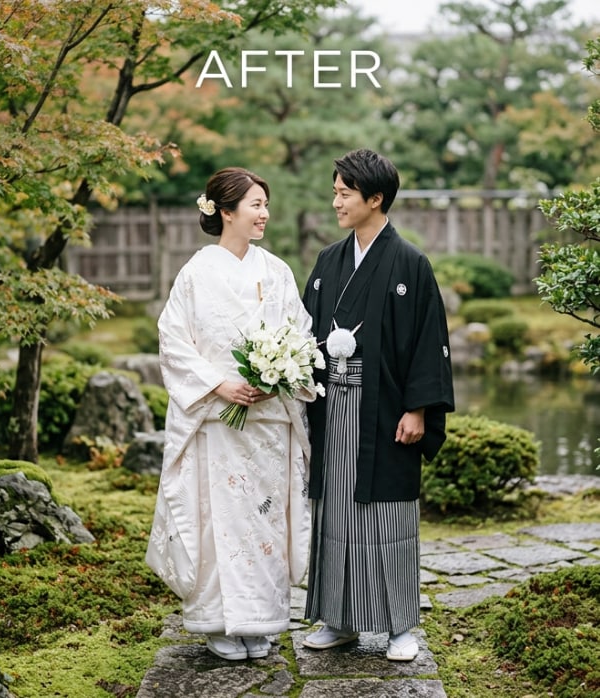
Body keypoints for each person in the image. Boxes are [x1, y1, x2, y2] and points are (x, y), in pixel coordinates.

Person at [146, 167, 317, 661]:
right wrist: (219, 384)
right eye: (255, 205)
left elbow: (301, 334)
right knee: (218, 521)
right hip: (217, 422)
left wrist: (279, 374)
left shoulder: (277, 271)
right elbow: (173, 341)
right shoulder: (197, 272)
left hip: (268, 424)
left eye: (266, 204)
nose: (264, 214)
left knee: (263, 521)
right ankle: (219, 622)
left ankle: (260, 620)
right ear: (225, 211)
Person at [299, 148, 454, 662]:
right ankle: (339, 620)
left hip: (385, 412)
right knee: (336, 512)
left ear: (376, 198)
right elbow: (304, 335)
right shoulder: (327, 262)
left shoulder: (410, 264)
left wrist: (420, 409)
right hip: (333, 409)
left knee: (386, 517)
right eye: (337, 191)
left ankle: (398, 626)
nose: (336, 200)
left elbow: (429, 341)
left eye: (345, 193)